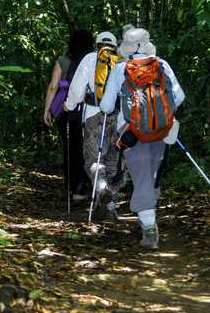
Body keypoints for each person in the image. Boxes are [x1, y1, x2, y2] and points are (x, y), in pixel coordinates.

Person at [100, 25, 185, 249]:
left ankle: (149, 228)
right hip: (160, 130)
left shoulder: (120, 69)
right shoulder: (162, 65)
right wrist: (160, 115)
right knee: (152, 174)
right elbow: (179, 96)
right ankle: (149, 214)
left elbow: (107, 106)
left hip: (131, 132)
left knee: (141, 174)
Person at [64, 31, 123, 216]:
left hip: (93, 114)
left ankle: (102, 187)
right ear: (115, 45)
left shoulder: (90, 58)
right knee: (113, 159)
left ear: (96, 45)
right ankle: (110, 203)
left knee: (93, 159)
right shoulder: (122, 61)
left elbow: (76, 88)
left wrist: (68, 105)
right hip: (119, 116)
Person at [44, 29, 93, 200]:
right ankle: (83, 187)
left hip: (65, 110)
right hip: (88, 110)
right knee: (86, 148)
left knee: (70, 148)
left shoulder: (63, 61)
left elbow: (53, 86)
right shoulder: (94, 60)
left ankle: (71, 186)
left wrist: (48, 110)